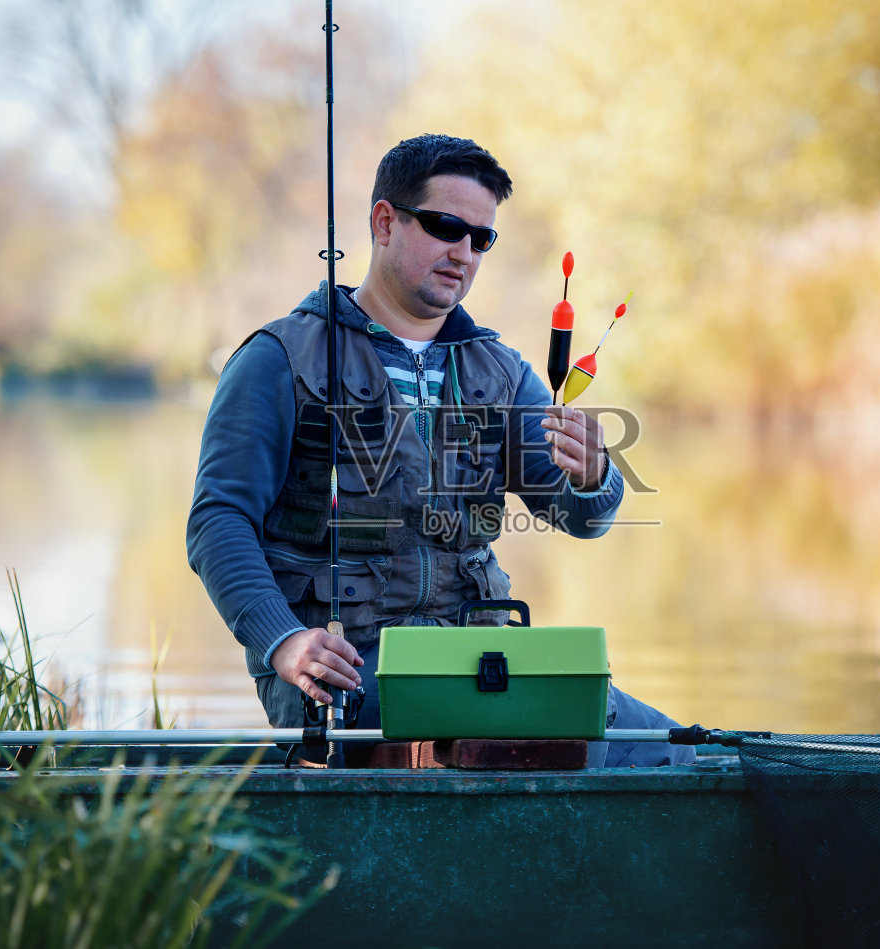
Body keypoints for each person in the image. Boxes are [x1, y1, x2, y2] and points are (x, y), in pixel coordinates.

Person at [186, 133, 691, 767]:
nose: (464, 252)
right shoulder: (278, 359)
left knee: (679, 752)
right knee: (502, 749)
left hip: (481, 665)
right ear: (383, 222)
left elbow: (581, 520)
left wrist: (594, 477)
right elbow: (217, 522)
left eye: (481, 238)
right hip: (343, 676)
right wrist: (283, 641)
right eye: (446, 226)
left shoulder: (503, 372)